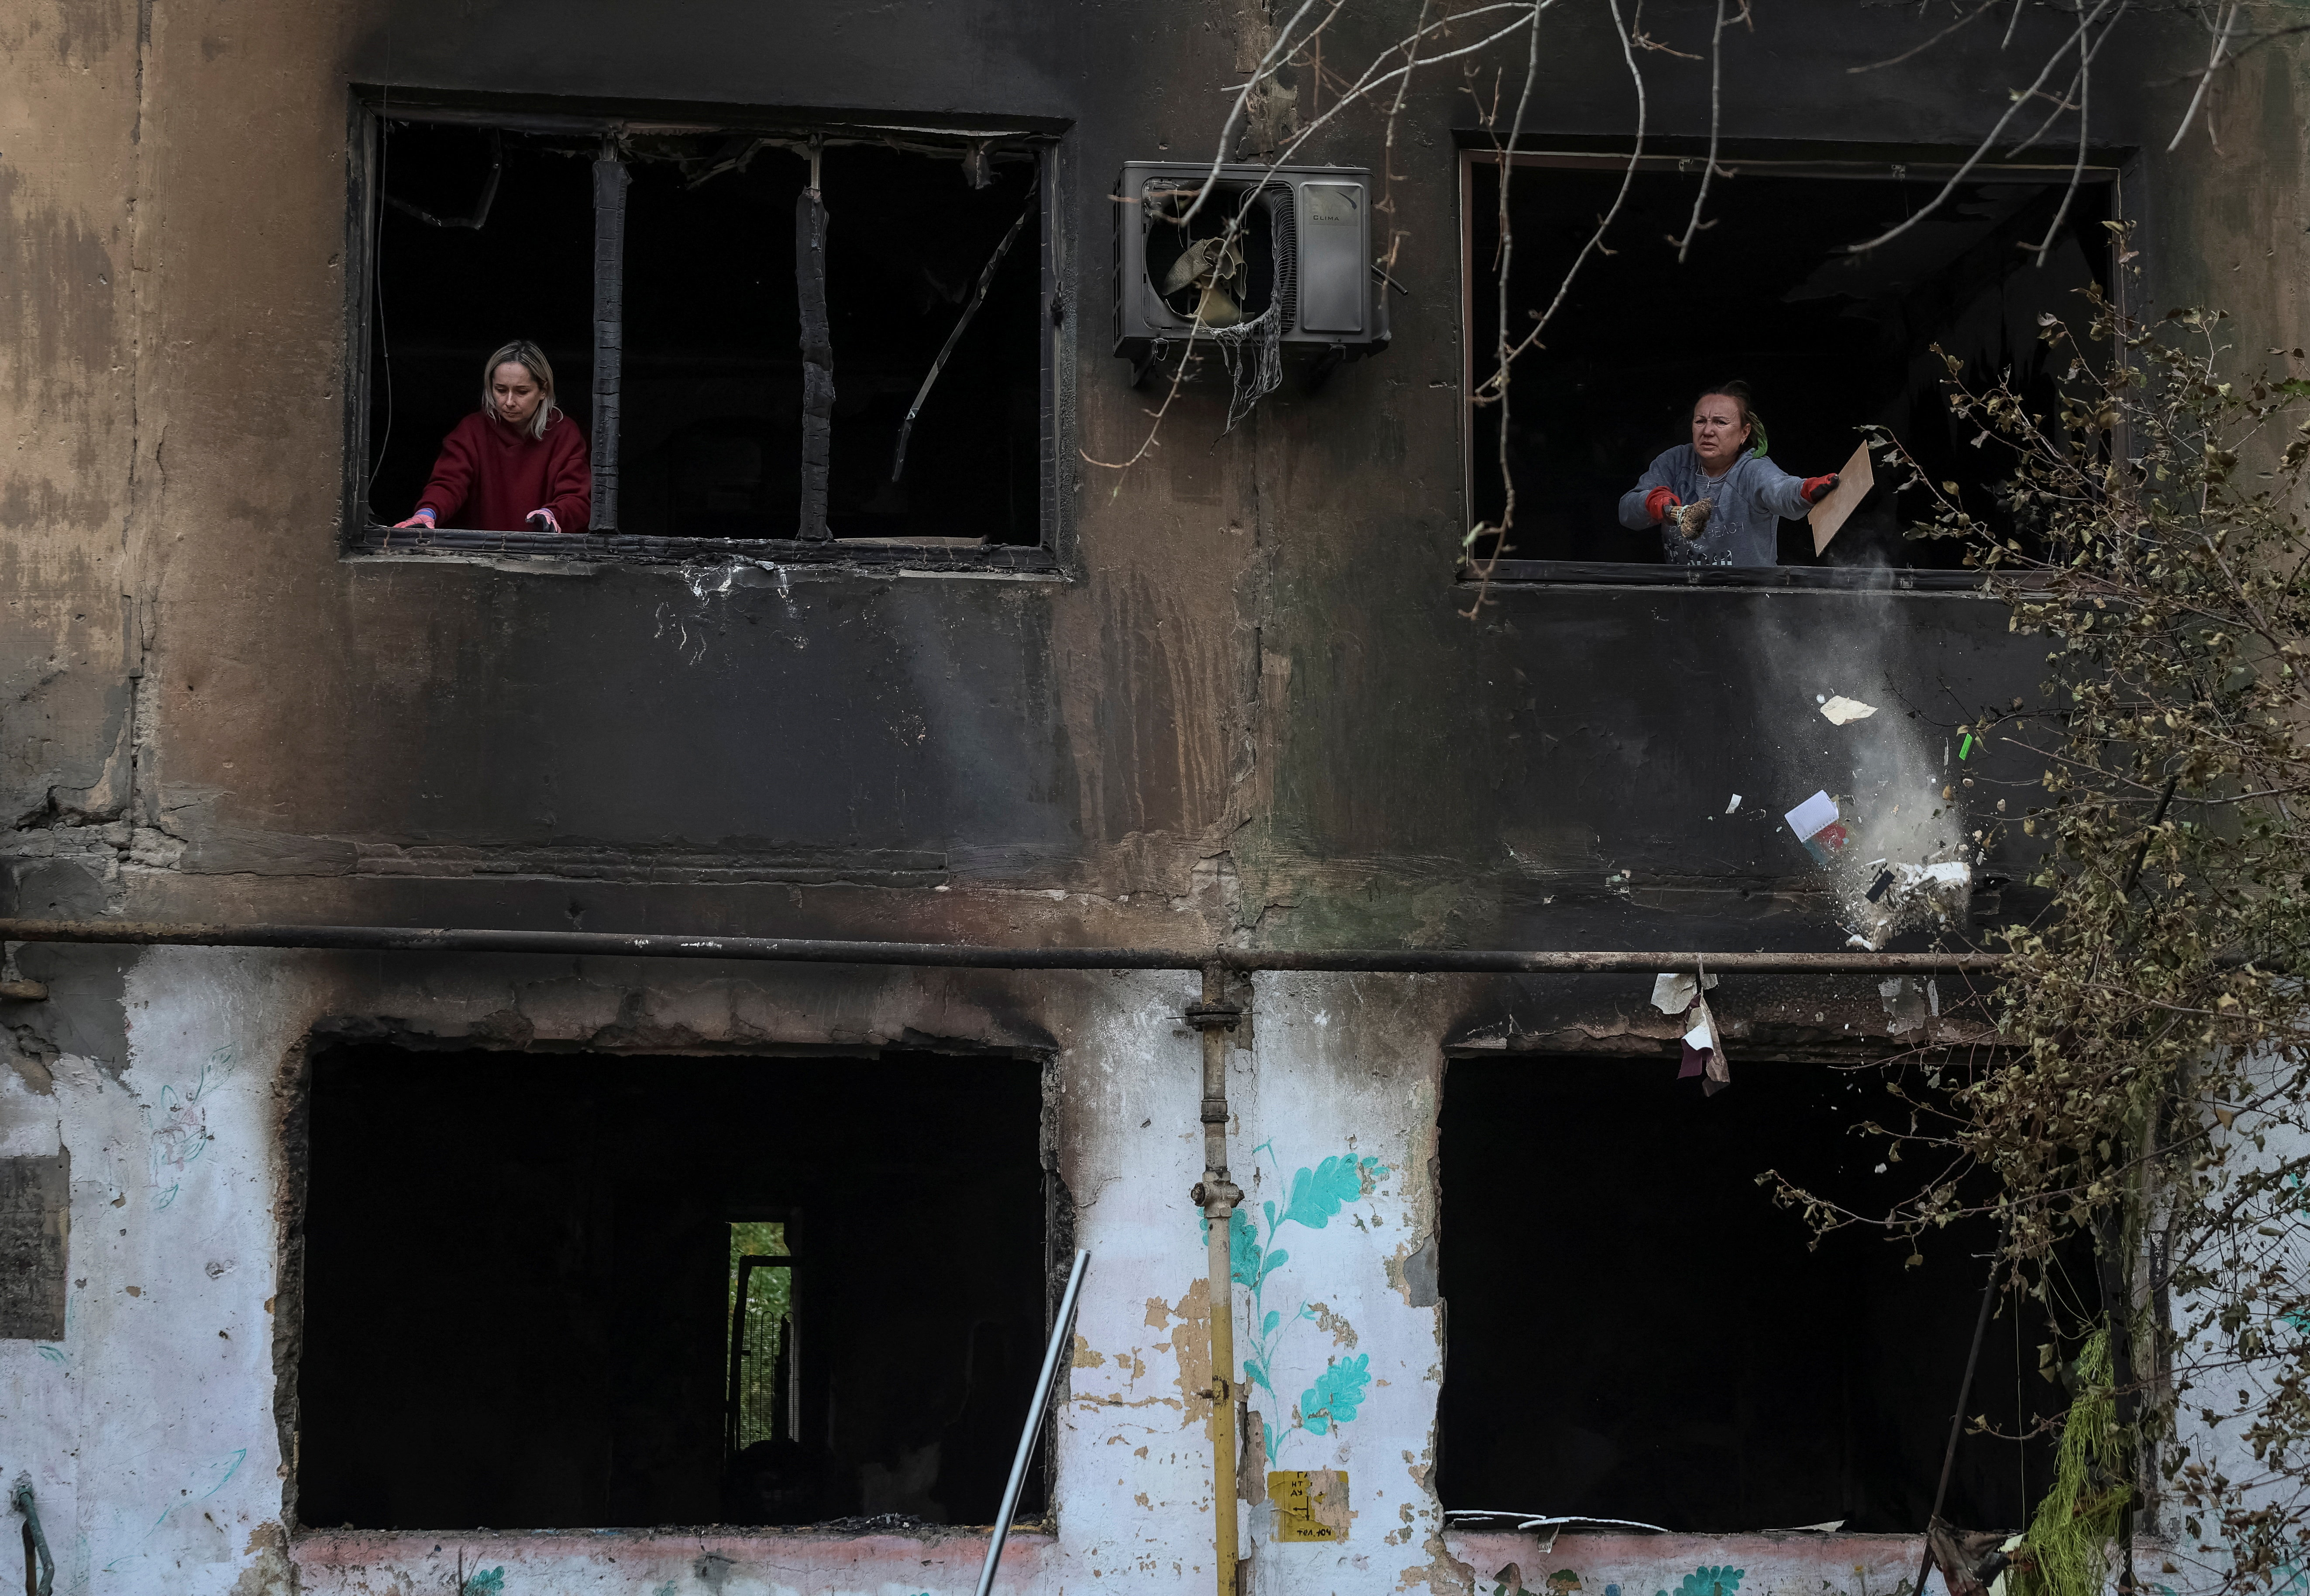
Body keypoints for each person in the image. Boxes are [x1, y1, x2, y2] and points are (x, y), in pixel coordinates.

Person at [1616, 382, 1840, 567]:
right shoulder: (1674, 462)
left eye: (1721, 423)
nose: (1708, 431)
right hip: (1683, 597)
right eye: (1700, 421)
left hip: (1748, 600)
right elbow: (1627, 513)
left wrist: (1805, 490)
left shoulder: (1752, 469)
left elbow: (1780, 490)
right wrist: (1653, 501)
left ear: (1744, 433)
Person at [393, 340, 591, 533]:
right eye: (501, 390)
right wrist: (428, 512)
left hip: (544, 555)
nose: (509, 402)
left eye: (522, 392)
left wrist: (554, 514)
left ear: (543, 391)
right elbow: (449, 483)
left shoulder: (564, 432)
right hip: (479, 553)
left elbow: (577, 497)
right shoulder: (472, 430)